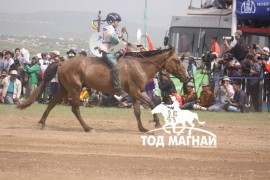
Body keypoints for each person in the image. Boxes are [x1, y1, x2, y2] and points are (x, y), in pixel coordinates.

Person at [99, 12, 128, 101]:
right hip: (107, 53)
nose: (118, 23)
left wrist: (120, 35)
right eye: (117, 21)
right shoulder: (109, 29)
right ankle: (118, 89)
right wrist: (122, 32)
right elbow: (114, 40)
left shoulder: (111, 29)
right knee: (115, 67)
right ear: (112, 21)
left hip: (110, 52)